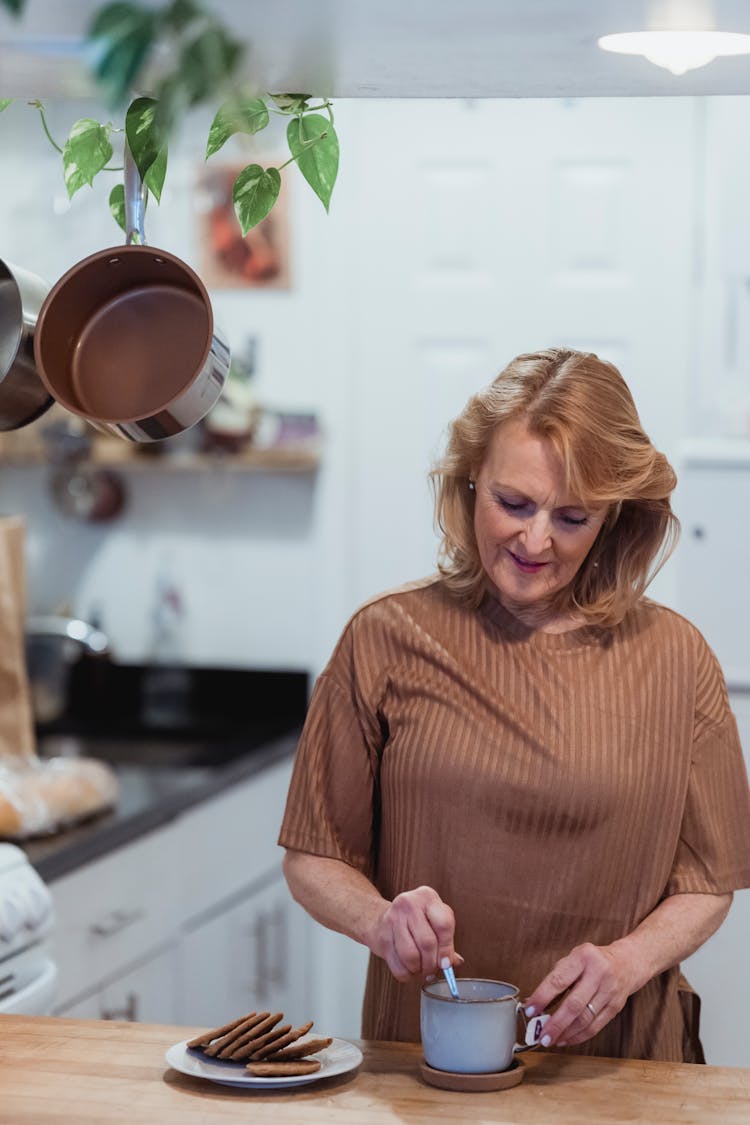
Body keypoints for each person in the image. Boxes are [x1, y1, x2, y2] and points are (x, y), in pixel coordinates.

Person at [278, 347, 750, 1062]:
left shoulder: (679, 660)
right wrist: (381, 921)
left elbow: (711, 881)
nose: (535, 539)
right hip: (429, 1064)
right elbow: (313, 855)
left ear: (616, 519)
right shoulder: (384, 638)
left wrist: (627, 963)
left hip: (617, 1071)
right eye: (514, 503)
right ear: (470, 483)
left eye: (572, 515)